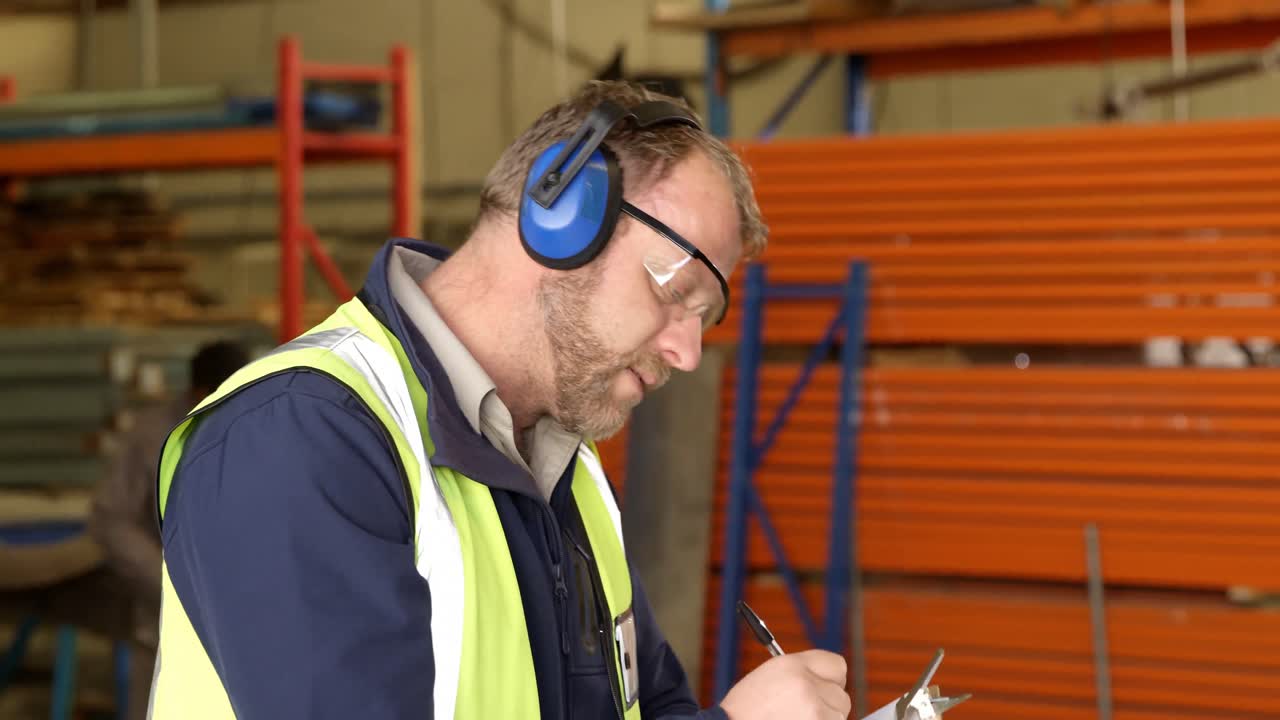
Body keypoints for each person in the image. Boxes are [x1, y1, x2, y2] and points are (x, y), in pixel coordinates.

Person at [147, 81, 852, 720]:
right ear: (561, 216)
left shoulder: (569, 474)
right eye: (675, 293)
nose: (687, 353)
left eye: (705, 319)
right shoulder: (296, 440)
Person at [89, 339, 249, 720]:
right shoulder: (151, 437)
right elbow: (111, 520)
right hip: (167, 628)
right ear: (198, 393)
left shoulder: (259, 425)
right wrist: (170, 579)